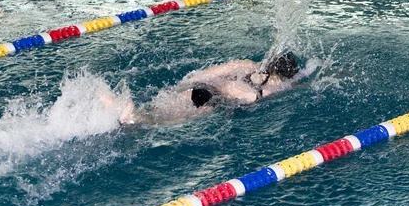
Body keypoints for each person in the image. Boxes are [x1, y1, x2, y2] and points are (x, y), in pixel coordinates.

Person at [104, 53, 305, 125]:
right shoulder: (275, 89)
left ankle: (121, 107)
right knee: (161, 123)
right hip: (212, 100)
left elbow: (204, 75)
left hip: (201, 88)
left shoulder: (247, 64)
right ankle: (130, 118)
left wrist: (181, 87)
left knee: (155, 111)